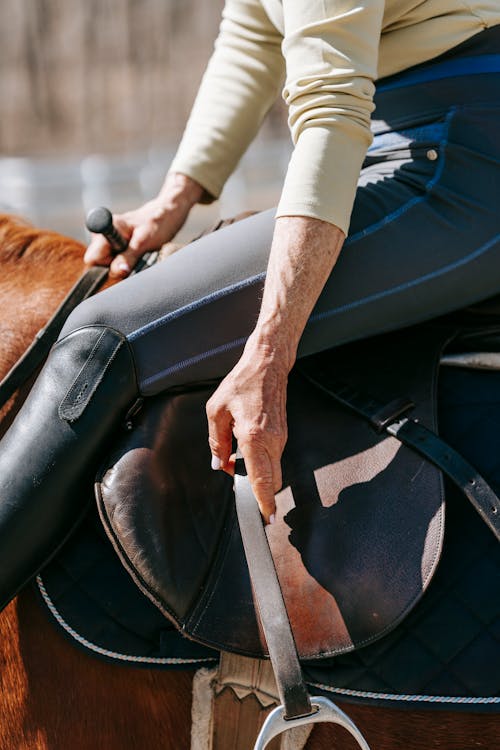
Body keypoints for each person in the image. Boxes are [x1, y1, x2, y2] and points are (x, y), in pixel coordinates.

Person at [0, 1, 499, 611]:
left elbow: (332, 111)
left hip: (455, 162)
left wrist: (269, 346)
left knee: (101, 337)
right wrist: (174, 199)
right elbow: (253, 31)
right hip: (405, 144)